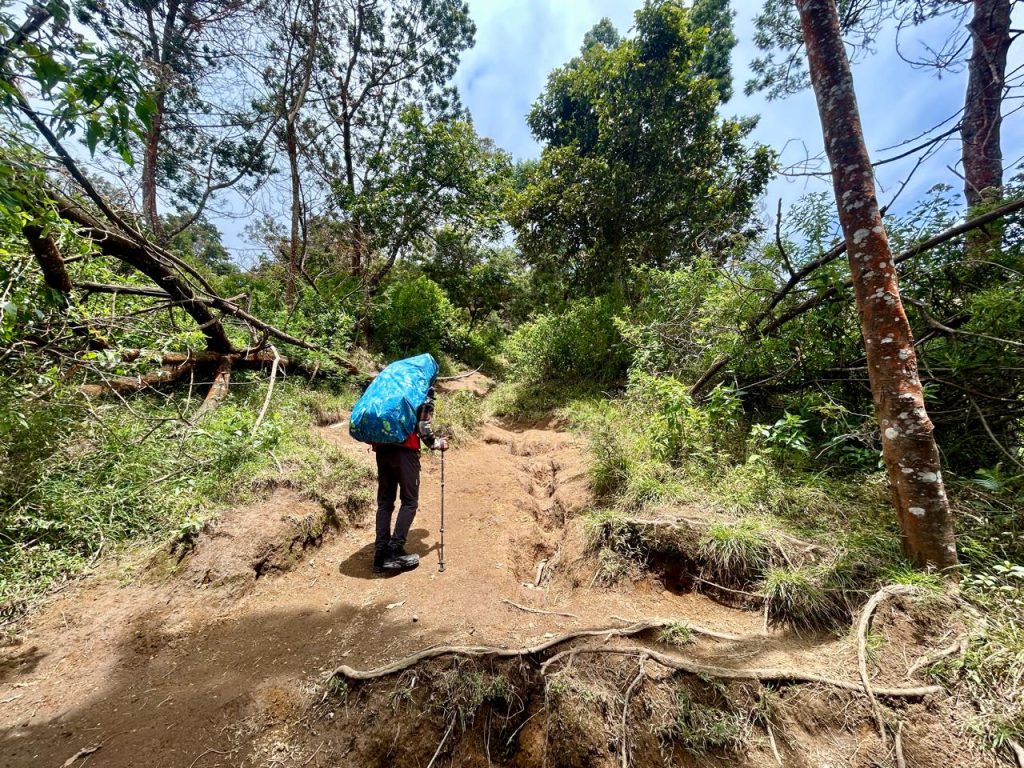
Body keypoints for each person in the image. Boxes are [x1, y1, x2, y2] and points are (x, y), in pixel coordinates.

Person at [372, 387, 448, 573]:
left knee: (385, 502)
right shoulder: (422, 396)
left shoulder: (394, 391)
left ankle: (380, 554)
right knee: (410, 501)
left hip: (382, 450)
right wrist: (437, 444)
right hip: (405, 452)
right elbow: (424, 427)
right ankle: (394, 549)